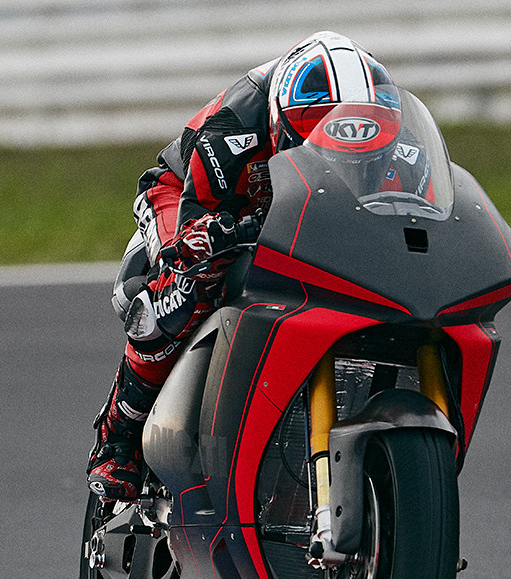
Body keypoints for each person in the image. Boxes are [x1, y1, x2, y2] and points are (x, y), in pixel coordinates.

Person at [87, 31, 405, 500]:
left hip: (300, 208)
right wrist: (213, 236)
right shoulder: (232, 132)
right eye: (315, 146)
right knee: (186, 290)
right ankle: (117, 439)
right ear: (281, 125)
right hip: (183, 195)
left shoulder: (394, 132)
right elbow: (199, 225)